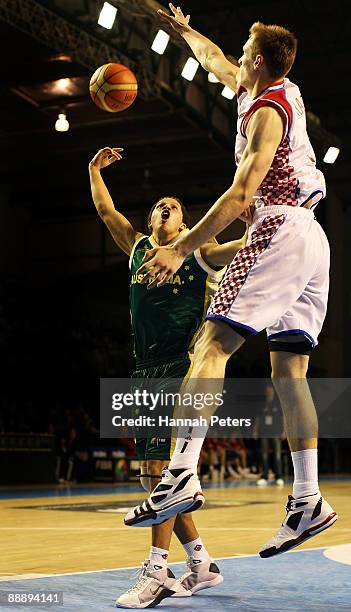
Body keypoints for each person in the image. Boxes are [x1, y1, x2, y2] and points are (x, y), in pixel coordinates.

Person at [126, 4, 338, 558]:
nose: (234, 63)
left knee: (212, 344)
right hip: (314, 242)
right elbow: (214, 58)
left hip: (279, 225)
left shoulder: (267, 110)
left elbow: (243, 197)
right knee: (290, 371)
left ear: (262, 63)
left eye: (245, 57)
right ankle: (309, 499)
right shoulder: (260, 89)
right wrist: (184, 30)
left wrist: (180, 248)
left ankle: (182, 474)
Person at [89, 146, 247, 607]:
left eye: (175, 207)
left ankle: (157, 569)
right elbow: (104, 209)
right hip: (143, 372)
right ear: (152, 218)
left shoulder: (198, 255)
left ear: (182, 226)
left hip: (181, 369)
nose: (166, 206)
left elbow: (244, 243)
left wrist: (271, 224)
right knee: (152, 478)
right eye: (161, 204)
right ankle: (200, 562)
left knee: (167, 478)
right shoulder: (138, 248)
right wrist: (94, 169)